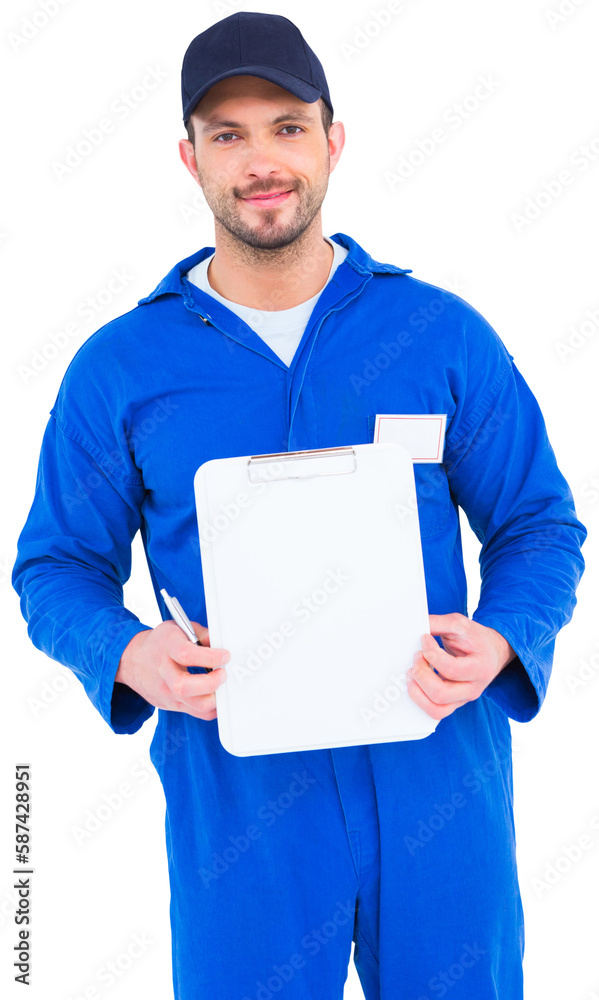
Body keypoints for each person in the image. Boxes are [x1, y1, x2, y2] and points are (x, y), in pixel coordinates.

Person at [12, 11, 586, 1000]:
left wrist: (501, 638)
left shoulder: (438, 334)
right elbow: (56, 565)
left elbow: (538, 525)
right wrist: (127, 653)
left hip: (436, 774)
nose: (260, 161)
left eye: (286, 126)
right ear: (189, 158)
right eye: (227, 135)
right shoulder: (121, 368)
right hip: (241, 801)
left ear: (333, 139)